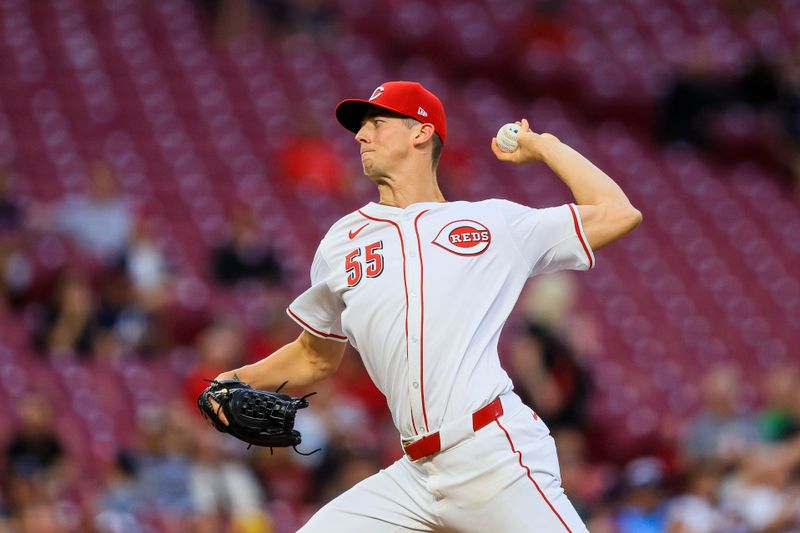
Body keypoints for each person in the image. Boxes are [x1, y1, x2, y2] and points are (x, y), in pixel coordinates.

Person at [209, 81, 642, 531]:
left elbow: (618, 212)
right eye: (361, 128)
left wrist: (545, 147)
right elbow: (315, 356)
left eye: (376, 123)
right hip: (414, 475)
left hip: (491, 456)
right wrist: (233, 379)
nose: (360, 136)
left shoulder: (492, 223)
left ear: (421, 132)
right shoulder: (341, 242)